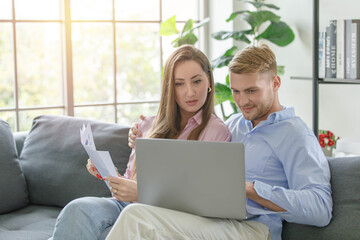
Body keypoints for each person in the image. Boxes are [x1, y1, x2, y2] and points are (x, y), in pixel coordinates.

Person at [110, 44, 333, 240]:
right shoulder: (235, 124)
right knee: (141, 215)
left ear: (275, 83)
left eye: (251, 91)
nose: (242, 101)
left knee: (136, 218)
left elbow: (321, 208)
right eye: (236, 91)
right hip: (209, 220)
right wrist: (139, 133)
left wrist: (251, 190)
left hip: (252, 230)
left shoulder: (295, 134)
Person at [48, 45, 232, 240]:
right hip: (126, 205)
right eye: (179, 84)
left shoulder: (216, 132)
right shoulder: (148, 124)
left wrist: (142, 193)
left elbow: (204, 197)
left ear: (209, 82)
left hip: (165, 216)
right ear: (170, 87)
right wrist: (111, 175)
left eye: (197, 81)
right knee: (77, 209)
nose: (190, 92)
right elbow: (131, 180)